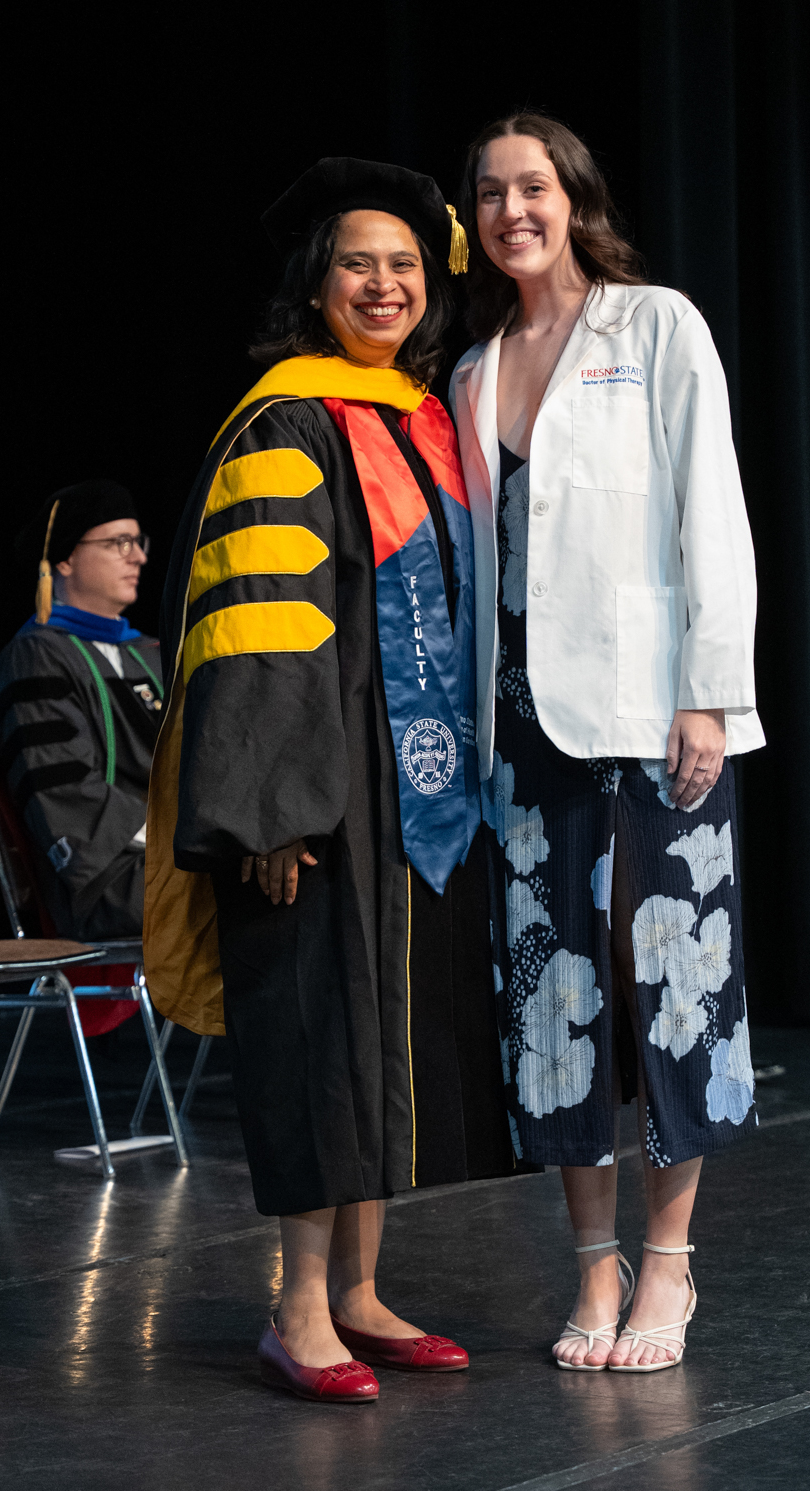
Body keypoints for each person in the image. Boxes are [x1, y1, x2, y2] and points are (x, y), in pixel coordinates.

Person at [144, 158, 510, 1404]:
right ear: (316, 284)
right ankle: (298, 1308)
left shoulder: (422, 419)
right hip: (313, 793)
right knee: (316, 1036)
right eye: (360, 262)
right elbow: (260, 623)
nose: (386, 283)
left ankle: (359, 1290)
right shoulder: (286, 420)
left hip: (411, 791)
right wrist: (269, 812)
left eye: (406, 264)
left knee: (380, 1039)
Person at [451, 114, 765, 1373]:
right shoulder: (472, 372)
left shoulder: (656, 325)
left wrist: (709, 692)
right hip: (521, 727)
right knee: (552, 1000)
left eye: (532, 186)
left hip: (650, 709)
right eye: (488, 194)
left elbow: (713, 513)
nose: (510, 209)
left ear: (573, 197)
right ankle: (593, 1265)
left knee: (674, 987)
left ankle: (672, 1269)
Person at [0, 482, 161, 951]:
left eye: (138, 542)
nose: (138, 557)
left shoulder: (154, 655)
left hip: (173, 866)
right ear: (64, 560)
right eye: (118, 543)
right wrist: (190, 839)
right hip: (107, 883)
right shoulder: (35, 659)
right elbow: (68, 794)